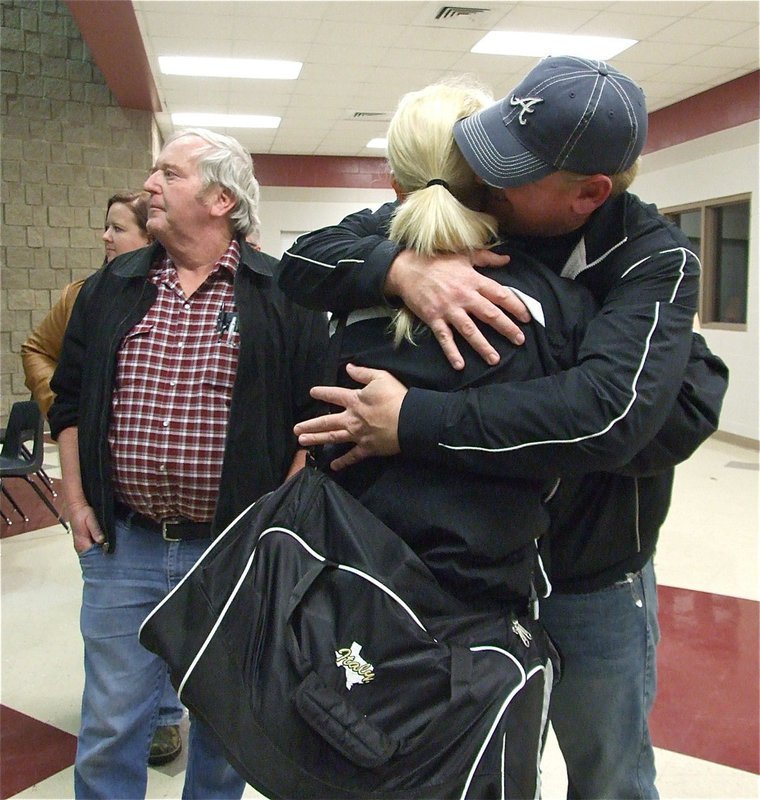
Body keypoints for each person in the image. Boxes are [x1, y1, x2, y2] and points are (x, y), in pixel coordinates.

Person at [278, 56, 729, 799]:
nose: (483, 176)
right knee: (460, 762)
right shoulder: (473, 215)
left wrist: (418, 420)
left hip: (590, 573)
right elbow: (304, 258)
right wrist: (401, 271)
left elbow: (656, 410)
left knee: (608, 774)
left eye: (512, 170)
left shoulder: (652, 260)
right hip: (463, 579)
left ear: (589, 194)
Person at [318, 77, 599, 798]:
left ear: (392, 178)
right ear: (499, 176)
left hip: (350, 586)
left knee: (340, 758)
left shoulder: (341, 296)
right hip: (479, 607)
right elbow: (579, 430)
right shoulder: (556, 300)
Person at [48, 128, 328, 799]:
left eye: (168, 174)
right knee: (113, 725)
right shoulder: (110, 287)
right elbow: (69, 400)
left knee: (225, 731)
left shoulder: (280, 294)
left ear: (220, 198)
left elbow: (314, 424)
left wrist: (274, 527)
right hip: (125, 546)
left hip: (234, 555)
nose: (149, 186)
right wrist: (76, 499)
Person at [20, 190, 185, 768]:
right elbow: (39, 350)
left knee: (171, 620)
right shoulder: (82, 296)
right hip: (107, 496)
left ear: (150, 236)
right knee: (121, 625)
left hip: (187, 514)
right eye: (106, 227)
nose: (107, 239)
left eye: (119, 228)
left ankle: (165, 714)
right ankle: (132, 714)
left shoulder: (179, 298)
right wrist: (69, 405)